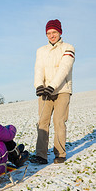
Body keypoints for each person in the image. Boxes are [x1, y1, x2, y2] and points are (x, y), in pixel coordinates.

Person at [31, 19, 75, 164]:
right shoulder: (41, 50)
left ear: (60, 32)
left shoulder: (68, 48)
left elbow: (64, 69)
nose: (51, 35)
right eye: (48, 33)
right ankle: (41, 155)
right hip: (45, 91)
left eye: (54, 32)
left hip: (62, 90)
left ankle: (60, 153)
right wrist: (39, 86)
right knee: (42, 122)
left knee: (59, 121)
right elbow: (38, 69)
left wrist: (53, 86)